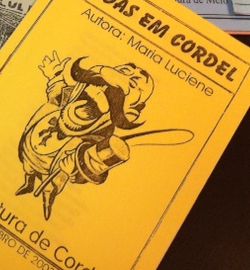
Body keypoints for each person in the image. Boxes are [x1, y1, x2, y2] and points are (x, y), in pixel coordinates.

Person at [17, 53, 154, 220]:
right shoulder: (80, 92)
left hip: (54, 159)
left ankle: (48, 197)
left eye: (132, 84)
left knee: (51, 185)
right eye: (123, 71)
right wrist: (55, 73)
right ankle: (28, 182)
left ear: (132, 111)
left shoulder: (102, 132)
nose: (122, 80)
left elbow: (93, 164)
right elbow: (59, 95)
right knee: (28, 165)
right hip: (37, 137)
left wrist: (73, 168)